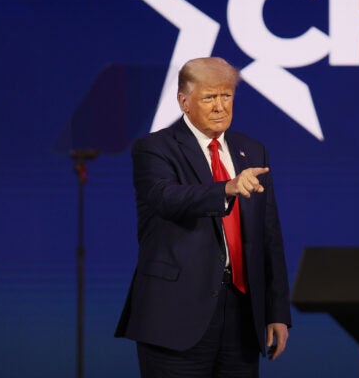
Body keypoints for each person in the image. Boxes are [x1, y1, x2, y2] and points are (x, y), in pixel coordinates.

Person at [115, 57, 291, 377]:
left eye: (226, 96)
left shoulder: (251, 151)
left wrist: (277, 311)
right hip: (175, 315)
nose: (220, 107)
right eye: (209, 97)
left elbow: (268, 235)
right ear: (184, 101)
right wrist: (226, 188)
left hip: (241, 317)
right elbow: (167, 199)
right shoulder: (155, 148)